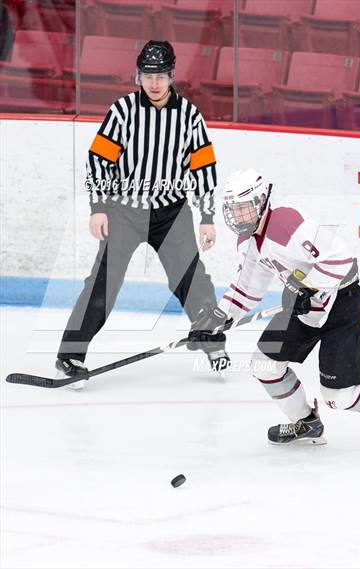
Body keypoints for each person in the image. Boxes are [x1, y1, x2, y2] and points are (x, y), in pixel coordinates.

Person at [56, 40, 230, 389]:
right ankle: (70, 354)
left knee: (193, 278)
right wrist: (98, 207)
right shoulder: (122, 111)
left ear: (171, 76)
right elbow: (98, 161)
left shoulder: (189, 116)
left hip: (171, 212)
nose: (154, 83)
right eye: (148, 76)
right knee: (103, 284)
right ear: (139, 76)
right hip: (124, 211)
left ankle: (209, 341)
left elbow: (203, 167)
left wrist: (207, 216)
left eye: (161, 76)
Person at [187, 169, 360, 445]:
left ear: (260, 202)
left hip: (341, 304)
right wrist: (218, 318)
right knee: (265, 365)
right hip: (304, 309)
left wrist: (310, 286)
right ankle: (307, 423)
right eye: (233, 210)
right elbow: (247, 288)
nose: (237, 216)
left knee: (339, 397)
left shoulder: (285, 224)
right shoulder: (248, 242)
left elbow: (342, 261)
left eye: (243, 208)